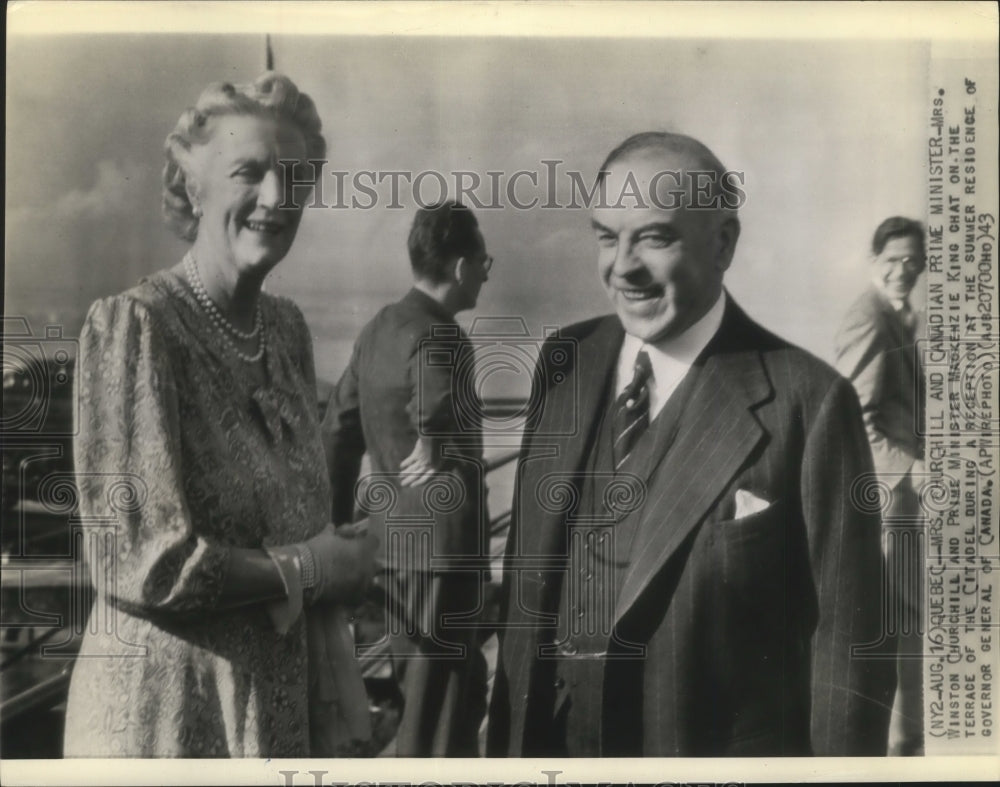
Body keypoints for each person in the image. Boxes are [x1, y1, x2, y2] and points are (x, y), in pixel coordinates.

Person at [487, 132, 895, 757]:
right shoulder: (565, 359)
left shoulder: (809, 403)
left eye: (654, 237)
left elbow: (851, 651)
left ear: (724, 242)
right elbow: (524, 594)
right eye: (605, 236)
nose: (622, 266)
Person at [64, 72, 377, 757]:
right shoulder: (137, 327)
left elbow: (290, 515)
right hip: (169, 713)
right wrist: (309, 567)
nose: (276, 198)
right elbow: (139, 560)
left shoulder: (287, 330)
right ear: (191, 186)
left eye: (295, 176)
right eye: (250, 172)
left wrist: (343, 547)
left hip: (274, 707)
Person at [321, 201, 492, 756]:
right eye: (485, 262)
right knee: (441, 714)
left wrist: (335, 523)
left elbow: (337, 434)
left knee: (418, 702)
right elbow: (435, 399)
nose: (487, 274)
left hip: (392, 553)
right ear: (463, 266)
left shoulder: (377, 331)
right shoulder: (440, 333)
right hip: (442, 557)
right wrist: (431, 431)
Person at [835, 217, 926, 756]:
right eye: (892, 259)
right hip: (890, 498)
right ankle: (898, 744)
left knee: (908, 616)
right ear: (873, 261)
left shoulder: (900, 317)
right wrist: (911, 470)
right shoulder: (868, 318)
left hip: (905, 497)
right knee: (900, 617)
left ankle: (904, 739)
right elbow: (856, 419)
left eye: (913, 260)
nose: (903, 270)